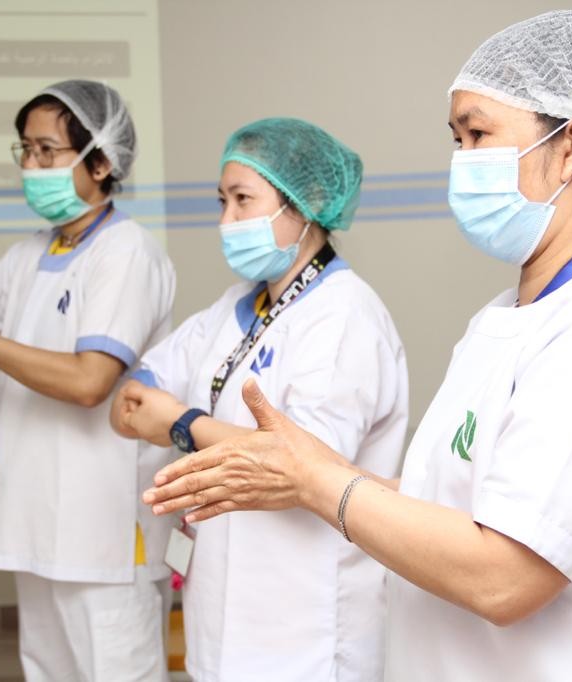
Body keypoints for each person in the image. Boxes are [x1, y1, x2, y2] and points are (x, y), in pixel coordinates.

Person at [142, 11, 572, 681]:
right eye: (456, 139)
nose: (461, 162)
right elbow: (448, 505)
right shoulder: (505, 318)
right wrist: (300, 467)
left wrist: (315, 480)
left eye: (478, 135)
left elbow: (505, 578)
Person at [110, 117, 408, 681]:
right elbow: (132, 397)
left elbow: (307, 463)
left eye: (243, 200)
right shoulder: (234, 307)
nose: (226, 221)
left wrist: (180, 424)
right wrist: (159, 414)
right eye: (222, 201)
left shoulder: (343, 315)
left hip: (306, 620)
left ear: (306, 203)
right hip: (222, 607)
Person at [0, 80, 176, 682]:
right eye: (25, 150)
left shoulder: (126, 253)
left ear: (101, 162)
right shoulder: (26, 256)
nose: (31, 165)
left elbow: (89, 382)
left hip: (103, 529)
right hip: (35, 522)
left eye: (47, 151)